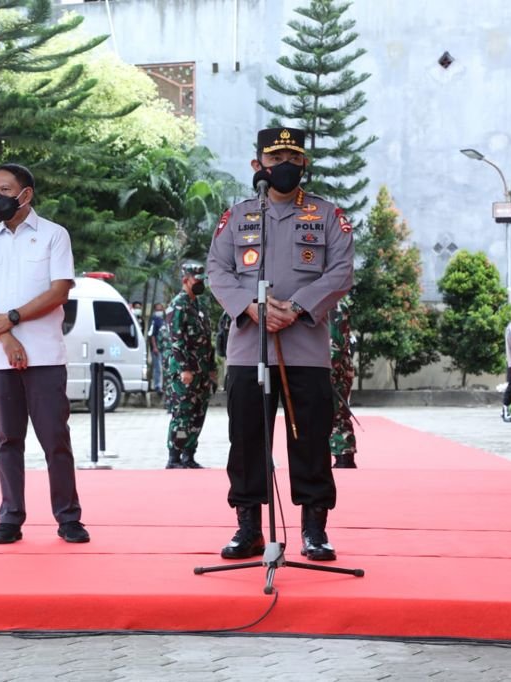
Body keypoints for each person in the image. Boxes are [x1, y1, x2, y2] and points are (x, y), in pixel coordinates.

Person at [206, 126, 354, 562]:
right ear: (258, 166)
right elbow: (218, 269)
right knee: (246, 440)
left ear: (304, 164)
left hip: (306, 349)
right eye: (275, 160)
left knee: (310, 441)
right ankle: (249, 527)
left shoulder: (328, 215)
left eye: (292, 158)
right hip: (248, 348)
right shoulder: (237, 217)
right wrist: (251, 307)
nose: (284, 166)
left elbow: (341, 271)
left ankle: (314, 529)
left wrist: (297, 307)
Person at [0, 162, 89, 545]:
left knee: (55, 440)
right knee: (8, 440)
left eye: (3, 190)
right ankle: (10, 517)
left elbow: (59, 291)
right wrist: (6, 336)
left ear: (25, 194)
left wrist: (13, 317)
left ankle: (68, 517)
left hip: (45, 357)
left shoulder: (54, 235)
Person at [162, 261, 217, 469]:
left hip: (201, 371)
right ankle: (174, 456)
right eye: (197, 280)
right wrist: (184, 368)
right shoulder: (178, 306)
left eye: (202, 280)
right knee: (182, 414)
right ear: (185, 280)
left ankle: (189, 455)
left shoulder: (199, 307)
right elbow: (176, 341)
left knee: (198, 413)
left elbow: (207, 341)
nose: (200, 284)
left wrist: (212, 369)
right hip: (185, 373)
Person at [329, 298, 357, 467]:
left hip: (335, 368)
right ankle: (342, 455)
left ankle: (344, 456)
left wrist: (328, 369)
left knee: (337, 414)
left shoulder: (335, 306)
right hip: (332, 365)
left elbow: (335, 344)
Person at [148, 303, 165, 392]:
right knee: (157, 368)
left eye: (160, 310)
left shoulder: (164, 320)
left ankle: (163, 386)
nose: (159, 311)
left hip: (164, 348)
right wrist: (154, 347)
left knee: (164, 368)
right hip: (156, 348)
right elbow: (152, 335)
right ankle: (157, 386)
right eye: (157, 310)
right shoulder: (154, 321)